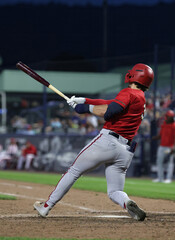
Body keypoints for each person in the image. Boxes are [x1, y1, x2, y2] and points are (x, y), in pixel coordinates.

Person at [33, 63, 154, 221]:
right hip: (125, 150)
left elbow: (110, 112)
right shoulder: (141, 98)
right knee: (114, 191)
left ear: (134, 75)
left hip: (108, 141)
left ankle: (46, 207)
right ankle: (127, 202)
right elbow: (110, 102)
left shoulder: (128, 92)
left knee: (74, 172)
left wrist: (85, 109)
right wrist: (83, 100)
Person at [152, 110, 175, 183]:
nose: (166, 117)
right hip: (162, 146)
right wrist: (154, 138)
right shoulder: (164, 124)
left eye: (168, 116)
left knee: (170, 162)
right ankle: (160, 178)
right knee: (159, 161)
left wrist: (173, 148)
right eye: (167, 116)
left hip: (170, 147)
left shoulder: (174, 126)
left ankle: (168, 178)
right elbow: (160, 135)